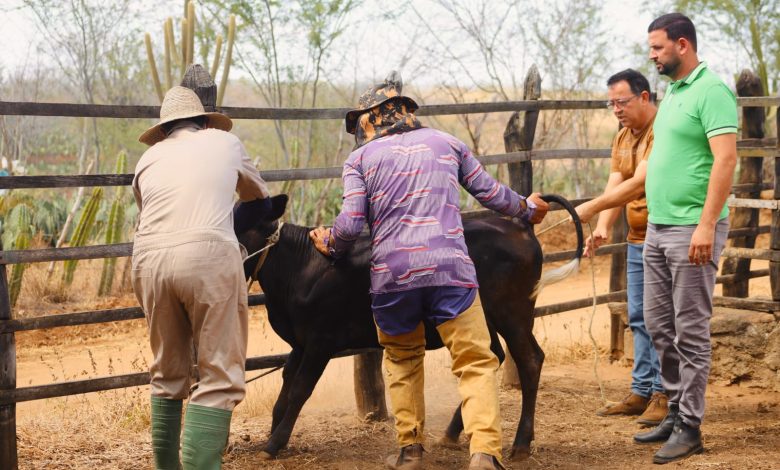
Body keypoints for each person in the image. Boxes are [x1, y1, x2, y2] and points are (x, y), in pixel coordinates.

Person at [308, 71, 548, 470]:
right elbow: (491, 193)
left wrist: (329, 242)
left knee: (403, 360)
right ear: (405, 113)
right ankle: (484, 453)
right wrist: (528, 208)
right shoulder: (447, 143)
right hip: (451, 273)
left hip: (392, 278)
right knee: (474, 360)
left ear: (369, 121)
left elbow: (349, 226)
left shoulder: (360, 160)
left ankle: (411, 451)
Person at [132, 86, 269, 470]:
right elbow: (260, 201)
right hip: (208, 257)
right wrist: (227, 228)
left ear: (163, 131)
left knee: (167, 372)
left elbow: (152, 216)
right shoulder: (225, 141)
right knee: (219, 375)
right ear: (206, 122)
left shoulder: (148, 157)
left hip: (149, 262)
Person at [633, 13, 737, 465]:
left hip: (692, 229)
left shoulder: (712, 91)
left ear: (682, 45)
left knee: (691, 331)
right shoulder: (673, 91)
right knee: (660, 325)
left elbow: (726, 161)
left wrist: (707, 224)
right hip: (658, 226)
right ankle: (674, 412)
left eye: (657, 48)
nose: (652, 56)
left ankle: (691, 427)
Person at [575, 69, 668, 426]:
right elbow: (617, 180)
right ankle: (641, 390)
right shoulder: (624, 136)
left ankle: (663, 393)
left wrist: (593, 207)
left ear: (644, 97)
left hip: (664, 237)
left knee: (662, 319)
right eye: (611, 102)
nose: (615, 109)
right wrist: (602, 227)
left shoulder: (662, 132)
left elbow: (638, 184)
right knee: (640, 317)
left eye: (621, 102)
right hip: (636, 239)